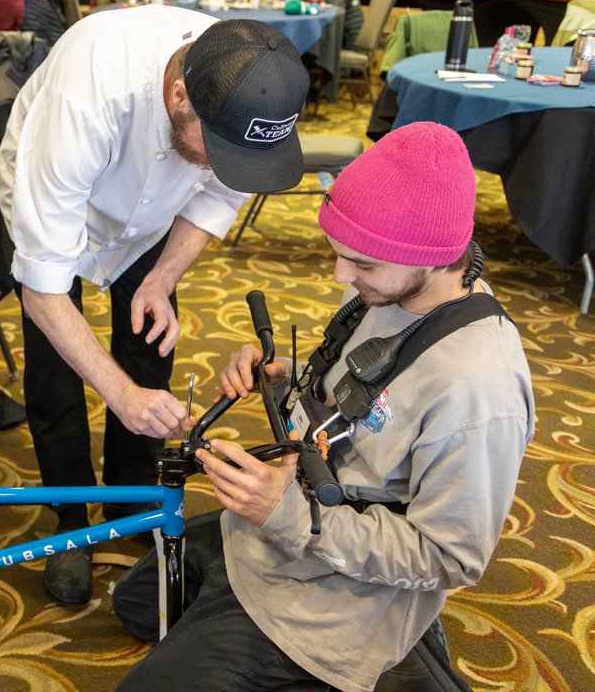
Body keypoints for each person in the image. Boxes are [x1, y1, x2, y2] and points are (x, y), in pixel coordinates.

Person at [112, 122, 535, 691]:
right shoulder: (386, 284)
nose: (340, 274)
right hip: (285, 526)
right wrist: (281, 383)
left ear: (430, 256)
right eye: (340, 255)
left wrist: (285, 515)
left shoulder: (478, 387)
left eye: (359, 262)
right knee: (137, 603)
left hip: (336, 574)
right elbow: (356, 395)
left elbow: (449, 557)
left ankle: (398, 652)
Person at [0, 9, 310, 606]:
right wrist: (117, 394)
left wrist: (163, 276)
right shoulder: (88, 95)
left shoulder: (246, 84)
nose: (224, 163)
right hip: (57, 201)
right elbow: (43, 289)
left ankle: (132, 499)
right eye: (215, 148)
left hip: (151, 224)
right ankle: (71, 523)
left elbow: (222, 188)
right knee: (58, 374)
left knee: (148, 351)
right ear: (178, 94)